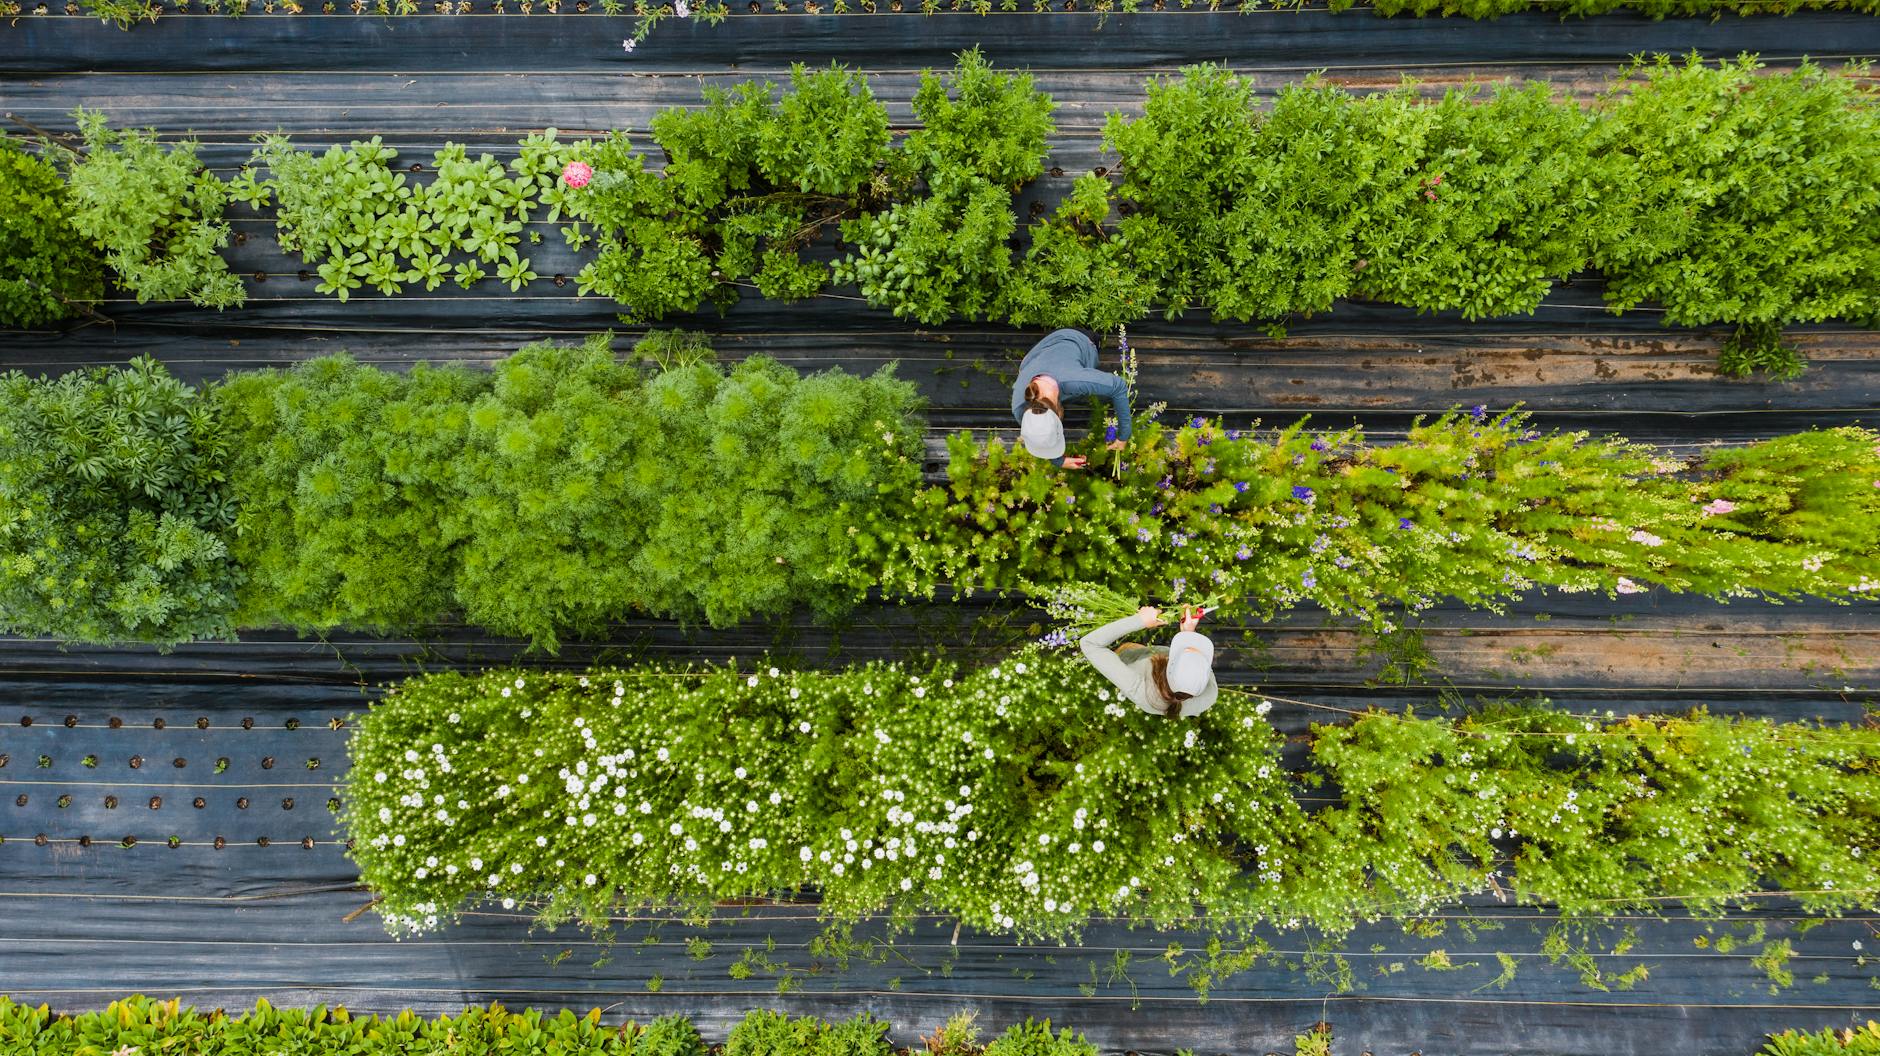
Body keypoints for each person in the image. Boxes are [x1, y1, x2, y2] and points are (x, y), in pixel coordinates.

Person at [1012, 328, 1132, 469]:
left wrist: (1124, 436)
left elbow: (1118, 386)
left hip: (1078, 338)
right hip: (1039, 352)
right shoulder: (1020, 408)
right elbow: (1042, 436)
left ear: (1058, 411)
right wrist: (1059, 461)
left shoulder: (1075, 381)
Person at [1079, 604, 1218, 719]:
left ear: (1169, 668)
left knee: (1125, 650)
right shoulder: (1209, 693)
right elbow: (1193, 667)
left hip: (1127, 656)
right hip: (1150, 655)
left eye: (1184, 650)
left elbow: (1089, 644)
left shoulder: (1139, 687)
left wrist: (1140, 620)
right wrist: (1188, 633)